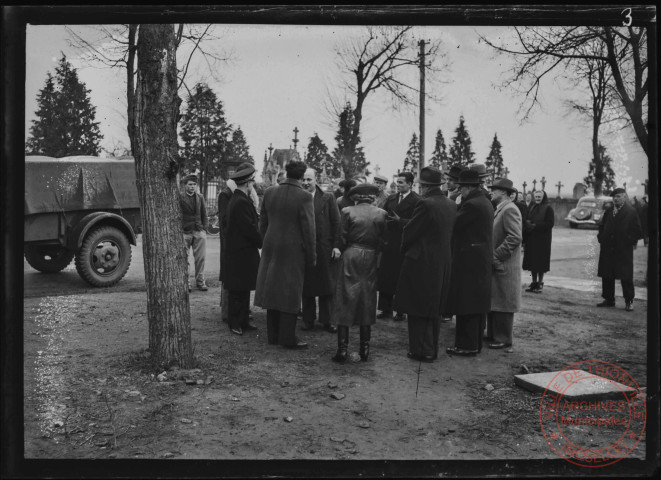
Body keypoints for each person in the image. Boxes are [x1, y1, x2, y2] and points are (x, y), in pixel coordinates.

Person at [395, 167, 456, 362]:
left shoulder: (425, 204)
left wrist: (404, 251)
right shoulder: (450, 204)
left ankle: (421, 351)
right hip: (442, 262)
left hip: (421, 262)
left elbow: (410, 232)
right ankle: (430, 348)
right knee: (434, 308)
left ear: (425, 186)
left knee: (418, 307)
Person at [254, 161, 315, 350]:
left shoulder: (271, 192)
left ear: (286, 172)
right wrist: (311, 255)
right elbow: (309, 230)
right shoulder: (305, 196)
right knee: (290, 292)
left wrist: (268, 241)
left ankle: (273, 335)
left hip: (271, 246)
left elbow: (262, 222)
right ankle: (287, 338)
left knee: (272, 288)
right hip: (293, 250)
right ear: (301, 175)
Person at [330, 183, 387, 363]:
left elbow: (341, 236)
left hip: (351, 255)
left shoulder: (347, 211)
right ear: (372, 197)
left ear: (356, 197)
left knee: (345, 297)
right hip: (370, 257)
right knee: (367, 300)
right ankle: (364, 349)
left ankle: (342, 349)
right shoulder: (381, 214)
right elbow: (383, 240)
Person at [446, 169, 494, 357]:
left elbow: (454, 224)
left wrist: (450, 203)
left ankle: (466, 346)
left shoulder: (472, 204)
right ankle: (473, 344)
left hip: (469, 261)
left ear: (468, 187)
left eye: (461, 188)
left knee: (466, 304)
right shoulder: (484, 201)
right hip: (478, 260)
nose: (460, 191)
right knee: (475, 304)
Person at [301, 168, 341, 333]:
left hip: (325, 248)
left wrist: (337, 245)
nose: (306, 183)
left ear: (315, 180)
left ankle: (328, 320)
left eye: (309, 179)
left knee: (327, 285)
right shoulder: (300, 197)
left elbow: (337, 223)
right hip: (305, 248)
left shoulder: (328, 197)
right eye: (304, 179)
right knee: (307, 285)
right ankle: (308, 320)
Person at [377, 171, 420, 321]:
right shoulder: (391, 198)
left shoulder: (417, 200)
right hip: (390, 242)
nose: (398, 185)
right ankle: (385, 308)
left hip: (405, 243)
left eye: (402, 182)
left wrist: (400, 220)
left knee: (402, 278)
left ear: (410, 184)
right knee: (386, 276)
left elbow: (417, 223)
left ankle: (401, 310)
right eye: (398, 182)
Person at [218, 163, 258, 323]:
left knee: (243, 288)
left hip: (241, 251)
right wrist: (260, 239)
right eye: (252, 182)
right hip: (240, 251)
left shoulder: (239, 199)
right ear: (247, 183)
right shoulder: (240, 201)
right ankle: (236, 323)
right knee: (237, 289)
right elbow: (249, 227)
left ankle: (242, 321)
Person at [485, 178, 522, 350]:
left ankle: (504, 337)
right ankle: (494, 334)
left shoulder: (509, 210)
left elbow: (515, 237)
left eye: (495, 189)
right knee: (497, 298)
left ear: (504, 193)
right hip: (499, 263)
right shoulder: (501, 209)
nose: (491, 191)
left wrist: (497, 256)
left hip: (504, 264)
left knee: (503, 300)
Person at [597, 188, 642, 311]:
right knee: (607, 273)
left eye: (618, 197)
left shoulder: (631, 212)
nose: (615, 199)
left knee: (625, 275)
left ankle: (629, 301)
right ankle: (609, 299)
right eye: (614, 197)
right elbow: (602, 226)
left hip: (622, 250)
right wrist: (601, 237)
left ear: (624, 197)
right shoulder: (609, 211)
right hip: (607, 248)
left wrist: (627, 240)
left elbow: (637, 231)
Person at [180, 173, 208, 292]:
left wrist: (204, 230)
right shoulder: (180, 197)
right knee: (184, 259)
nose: (192, 187)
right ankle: (187, 283)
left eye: (194, 185)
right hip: (185, 232)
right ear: (185, 185)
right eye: (190, 184)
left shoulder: (200, 197)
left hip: (198, 231)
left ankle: (200, 282)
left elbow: (204, 214)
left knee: (200, 258)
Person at [522, 190, 555, 293]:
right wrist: (527, 224)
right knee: (533, 263)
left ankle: (540, 283)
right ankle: (534, 282)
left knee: (540, 263)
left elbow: (550, 223)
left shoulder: (548, 208)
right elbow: (528, 218)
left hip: (542, 240)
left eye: (539, 197)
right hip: (532, 238)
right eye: (536, 197)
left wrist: (535, 226)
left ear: (543, 197)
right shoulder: (532, 207)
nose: (537, 198)